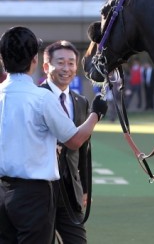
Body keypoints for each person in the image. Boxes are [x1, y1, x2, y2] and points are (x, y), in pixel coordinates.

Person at [0, 26, 107, 244]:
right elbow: (75, 140)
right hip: (34, 193)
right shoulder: (41, 98)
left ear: (3, 59)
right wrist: (96, 113)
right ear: (35, 61)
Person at [40, 40, 91, 243]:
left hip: (71, 191)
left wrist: (85, 188)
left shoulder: (81, 101)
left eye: (71, 63)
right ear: (46, 66)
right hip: (41, 189)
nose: (66, 68)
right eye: (60, 62)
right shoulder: (36, 97)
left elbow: (84, 148)